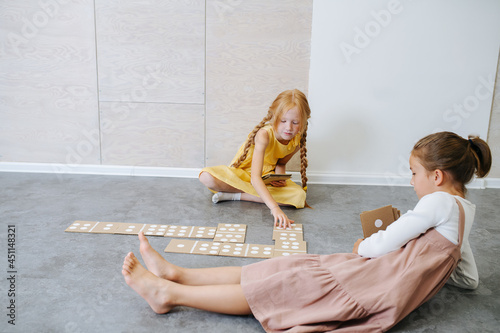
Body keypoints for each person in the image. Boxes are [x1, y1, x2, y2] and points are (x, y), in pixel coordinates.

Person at [122, 131, 491, 332]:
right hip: (380, 280)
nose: (412, 181)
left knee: (280, 287)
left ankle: (169, 293)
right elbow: (469, 277)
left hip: (375, 280)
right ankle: (177, 274)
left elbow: (388, 241)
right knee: (280, 272)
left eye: (414, 173)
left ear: (437, 176)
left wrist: (365, 245)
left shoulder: (438, 202)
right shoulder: (463, 211)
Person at [199, 89, 311, 229]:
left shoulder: (296, 140)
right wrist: (275, 208)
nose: (289, 127)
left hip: (265, 179)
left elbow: (281, 162)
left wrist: (278, 176)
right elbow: (254, 178)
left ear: (304, 121)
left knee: (299, 196)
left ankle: (235, 196)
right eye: (283, 121)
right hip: (245, 175)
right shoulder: (264, 135)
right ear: (274, 117)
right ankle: (251, 195)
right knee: (206, 177)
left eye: (295, 122)